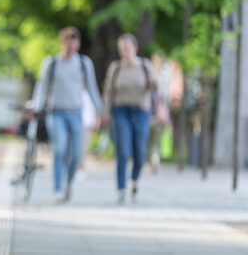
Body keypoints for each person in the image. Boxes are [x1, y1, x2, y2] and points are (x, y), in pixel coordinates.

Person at [31, 27, 103, 202]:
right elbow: (42, 87)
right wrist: (36, 108)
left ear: (78, 44)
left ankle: (68, 183)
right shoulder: (52, 63)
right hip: (56, 114)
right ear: (62, 43)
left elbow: (92, 88)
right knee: (60, 149)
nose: (70, 45)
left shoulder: (84, 64)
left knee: (76, 154)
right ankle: (57, 188)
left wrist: (101, 111)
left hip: (76, 113)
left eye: (74, 41)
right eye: (67, 41)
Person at [102, 33, 157, 204]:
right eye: (121, 49)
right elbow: (109, 92)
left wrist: (154, 82)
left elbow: (155, 88)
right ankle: (121, 188)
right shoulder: (116, 68)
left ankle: (134, 180)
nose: (123, 52)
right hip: (121, 111)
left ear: (135, 48)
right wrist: (105, 113)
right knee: (123, 151)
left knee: (140, 153)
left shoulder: (145, 66)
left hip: (141, 112)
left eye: (126, 48)